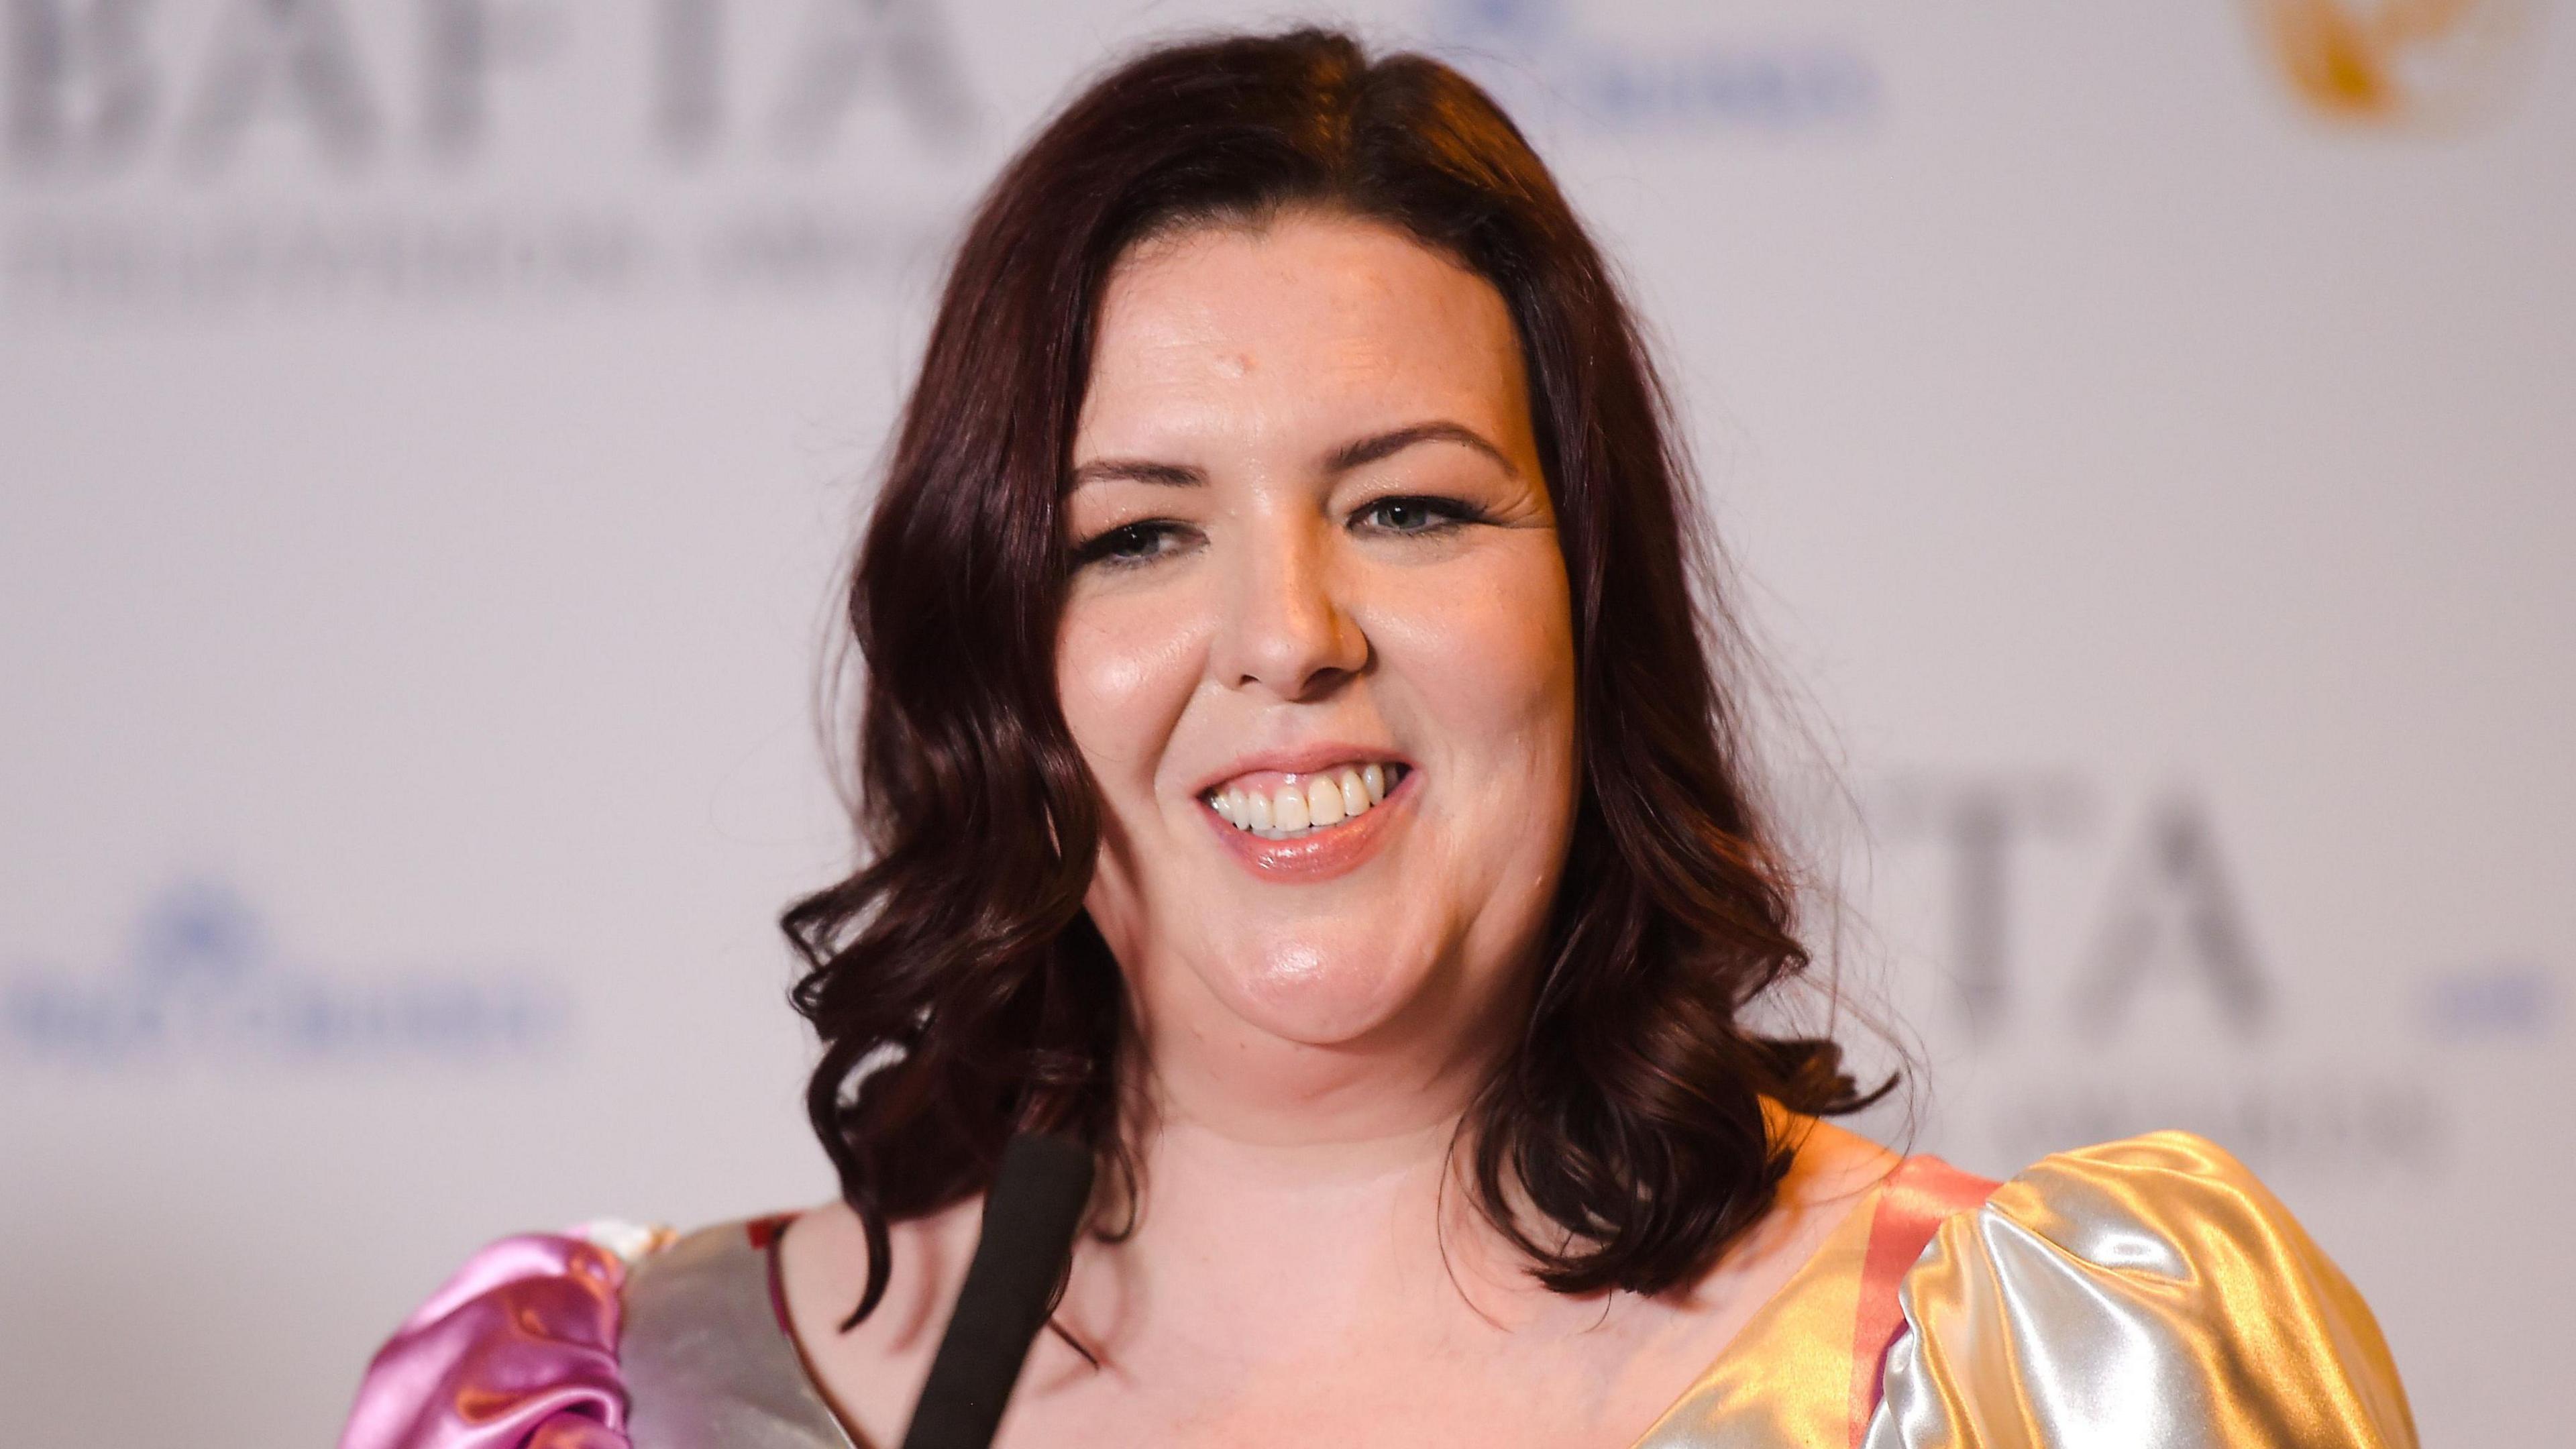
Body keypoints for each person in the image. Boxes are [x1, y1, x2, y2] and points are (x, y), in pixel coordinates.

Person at [339, 28, 2414, 1449]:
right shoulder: (616, 1399)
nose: (1288, 637)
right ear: (1002, 655)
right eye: (1138, 535)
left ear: (1588, 602)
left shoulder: (2034, 1379)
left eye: (1410, 506)